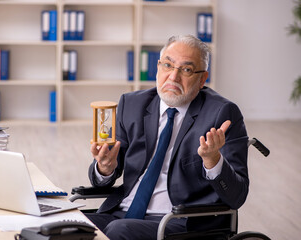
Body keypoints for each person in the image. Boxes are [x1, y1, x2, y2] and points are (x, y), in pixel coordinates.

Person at [86, 35, 249, 240]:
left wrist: (213, 161)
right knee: (64, 226)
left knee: (119, 231)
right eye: (168, 65)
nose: (173, 77)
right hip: (121, 214)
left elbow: (237, 195)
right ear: (158, 67)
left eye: (186, 70)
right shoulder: (132, 104)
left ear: (202, 79)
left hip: (179, 223)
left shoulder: (222, 114)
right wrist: (104, 169)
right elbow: (103, 178)